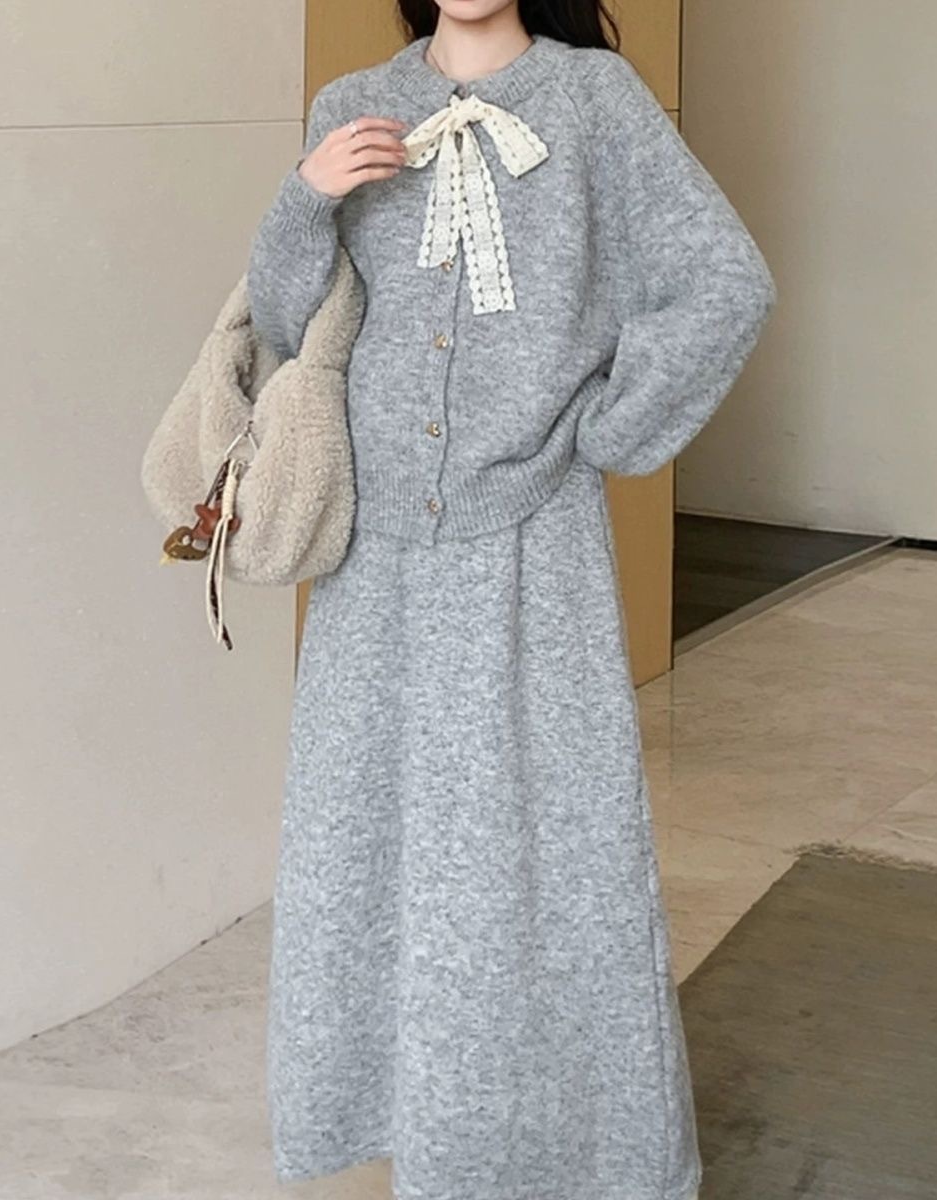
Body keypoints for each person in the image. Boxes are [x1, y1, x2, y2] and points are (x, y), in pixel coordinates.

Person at [247, 1, 776, 1197]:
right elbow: (284, 330)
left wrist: (608, 429)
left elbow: (723, 281)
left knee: (544, 864)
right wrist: (305, 198)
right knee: (364, 854)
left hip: (536, 553)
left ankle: (567, 1154)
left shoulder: (595, 104)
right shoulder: (352, 106)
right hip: (370, 561)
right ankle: (404, 1124)